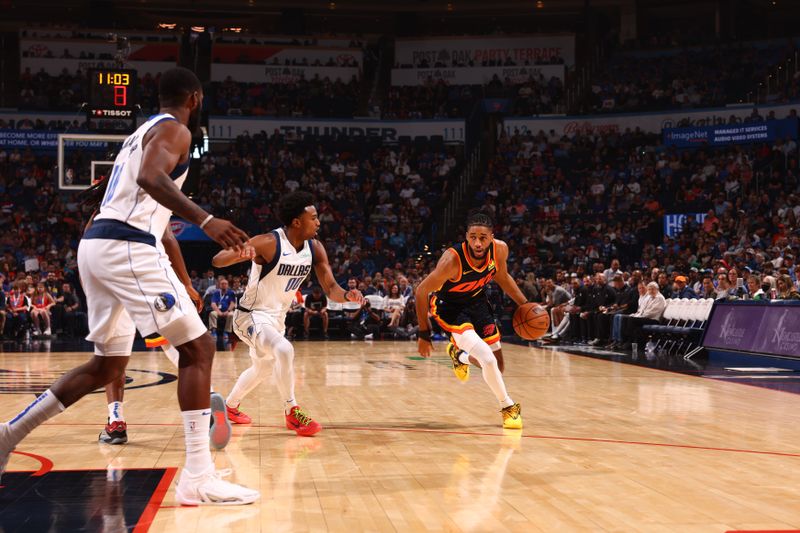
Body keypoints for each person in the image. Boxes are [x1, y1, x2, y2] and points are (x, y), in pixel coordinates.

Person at [0, 67, 259, 506]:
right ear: (194, 98)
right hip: (127, 246)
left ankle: (8, 435)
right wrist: (207, 220)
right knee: (198, 350)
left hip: (98, 245)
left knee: (106, 368)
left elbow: (155, 218)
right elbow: (150, 180)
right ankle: (198, 476)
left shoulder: (138, 134)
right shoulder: (175, 130)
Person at [212, 190, 364, 435]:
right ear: (297, 222)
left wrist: (347, 296)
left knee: (262, 369)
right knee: (284, 350)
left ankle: (229, 406)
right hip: (251, 315)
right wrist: (241, 251)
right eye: (313, 218)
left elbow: (332, 288)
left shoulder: (315, 248)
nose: (318, 222)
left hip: (277, 319)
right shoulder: (268, 242)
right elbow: (218, 261)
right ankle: (292, 412)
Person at [415, 212, 527, 429]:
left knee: (498, 366)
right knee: (488, 360)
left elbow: (502, 277)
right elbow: (421, 291)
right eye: (472, 237)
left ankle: (460, 356)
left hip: (477, 304)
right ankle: (508, 408)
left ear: (491, 237)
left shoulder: (500, 249)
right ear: (466, 236)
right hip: (450, 309)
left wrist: (525, 304)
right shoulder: (451, 260)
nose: (477, 242)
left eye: (483, 238)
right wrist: (423, 333)